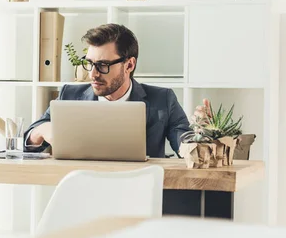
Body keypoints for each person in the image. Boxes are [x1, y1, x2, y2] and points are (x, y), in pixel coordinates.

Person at [24, 23, 190, 158]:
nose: (92, 74)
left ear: (129, 65)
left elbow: (186, 144)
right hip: (84, 190)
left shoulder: (162, 100)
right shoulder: (70, 95)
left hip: (138, 192)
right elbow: (28, 143)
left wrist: (203, 137)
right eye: (89, 63)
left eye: (103, 65)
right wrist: (42, 130)